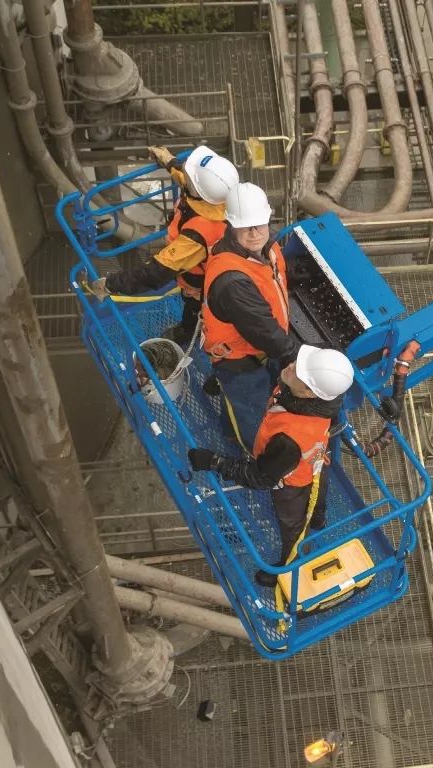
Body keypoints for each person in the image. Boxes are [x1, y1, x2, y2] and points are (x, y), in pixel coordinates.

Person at [187, 346, 355, 586]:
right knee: (320, 490)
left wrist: (214, 461)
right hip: (316, 458)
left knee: (293, 527)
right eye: (299, 361)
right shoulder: (321, 397)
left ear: (309, 392)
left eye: (299, 370)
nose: (291, 366)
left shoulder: (288, 440)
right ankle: (318, 518)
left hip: (293, 483)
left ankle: (290, 568)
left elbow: (260, 477)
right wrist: (224, 380)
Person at [88, 145, 239, 344]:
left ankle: (188, 332)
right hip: (197, 268)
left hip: (200, 284)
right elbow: (187, 178)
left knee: (194, 310)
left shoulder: (198, 235)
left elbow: (155, 274)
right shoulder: (216, 196)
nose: (185, 168)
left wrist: (110, 284)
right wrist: (168, 160)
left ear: (197, 189)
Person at [202, 182, 301, 449]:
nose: (255, 232)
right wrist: (304, 360)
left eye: (260, 223)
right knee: (255, 416)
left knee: (238, 402)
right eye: (246, 226)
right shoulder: (233, 281)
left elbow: (275, 277)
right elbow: (265, 333)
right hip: (241, 362)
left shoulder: (265, 247)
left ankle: (230, 432)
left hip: (255, 352)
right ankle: (256, 456)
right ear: (231, 225)